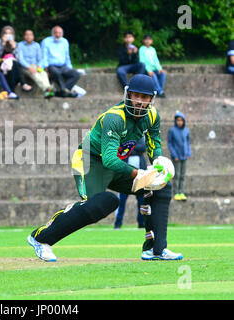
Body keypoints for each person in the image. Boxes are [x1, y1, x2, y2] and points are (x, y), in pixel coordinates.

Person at [27, 74, 183, 262]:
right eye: (136, 96)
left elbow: (153, 143)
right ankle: (40, 238)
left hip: (117, 164)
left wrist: (158, 165)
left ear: (151, 98)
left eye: (144, 97)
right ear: (128, 94)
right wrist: (139, 173)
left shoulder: (152, 115)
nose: (139, 102)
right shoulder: (114, 117)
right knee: (101, 202)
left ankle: (155, 249)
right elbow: (109, 160)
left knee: (159, 188)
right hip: (90, 161)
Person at [114, 137, 147, 229]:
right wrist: (133, 149)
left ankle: (142, 224)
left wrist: (130, 148)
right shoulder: (124, 137)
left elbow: (143, 148)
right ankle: (118, 224)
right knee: (121, 202)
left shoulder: (140, 136)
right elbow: (122, 150)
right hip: (126, 178)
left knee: (141, 202)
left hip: (140, 177)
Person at [40, 26, 80, 98]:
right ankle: (65, 91)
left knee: (76, 74)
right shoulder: (46, 42)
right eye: (56, 33)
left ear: (62, 34)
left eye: (60, 33)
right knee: (56, 73)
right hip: (51, 66)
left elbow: (67, 57)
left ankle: (63, 91)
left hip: (63, 66)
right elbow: (44, 56)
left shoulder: (65, 41)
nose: (58, 35)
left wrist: (70, 68)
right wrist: (45, 68)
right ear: (52, 33)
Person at [17, 29, 54, 99]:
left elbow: (40, 58)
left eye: (30, 35)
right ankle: (48, 89)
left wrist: (39, 66)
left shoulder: (36, 45)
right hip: (25, 66)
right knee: (35, 75)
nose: (28, 36)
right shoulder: (20, 45)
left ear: (33, 36)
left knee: (43, 73)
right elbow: (20, 59)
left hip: (36, 65)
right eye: (27, 35)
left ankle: (48, 90)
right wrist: (29, 67)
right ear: (24, 36)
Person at [0, 26, 32, 93]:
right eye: (6, 33)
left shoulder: (16, 44)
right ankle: (22, 84)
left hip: (12, 66)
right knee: (12, 63)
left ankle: (12, 91)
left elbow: (17, 58)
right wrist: (3, 44)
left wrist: (13, 47)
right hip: (1, 65)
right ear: (2, 34)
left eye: (10, 33)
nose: (8, 35)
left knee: (13, 63)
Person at [168, 111, 191, 201]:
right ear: (175, 121)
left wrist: (188, 153)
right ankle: (176, 192)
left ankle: (181, 192)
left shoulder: (186, 130)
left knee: (182, 175)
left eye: (181, 120)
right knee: (176, 175)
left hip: (184, 156)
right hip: (176, 157)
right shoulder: (172, 130)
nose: (179, 122)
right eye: (178, 120)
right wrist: (174, 155)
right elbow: (170, 143)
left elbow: (188, 142)